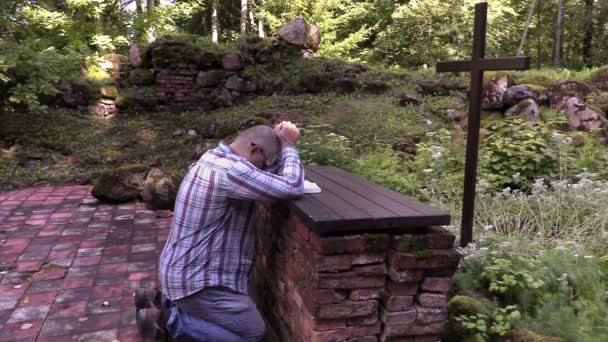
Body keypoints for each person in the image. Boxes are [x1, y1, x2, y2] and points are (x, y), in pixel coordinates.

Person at [135, 122, 304, 342]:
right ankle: (169, 319)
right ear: (254, 149)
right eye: (263, 162)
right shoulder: (232, 171)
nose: (261, 169)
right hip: (198, 283)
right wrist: (290, 146)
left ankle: (161, 300)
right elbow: (292, 186)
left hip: (179, 271)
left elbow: (268, 180)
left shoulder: (214, 157)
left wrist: (278, 149)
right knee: (252, 334)